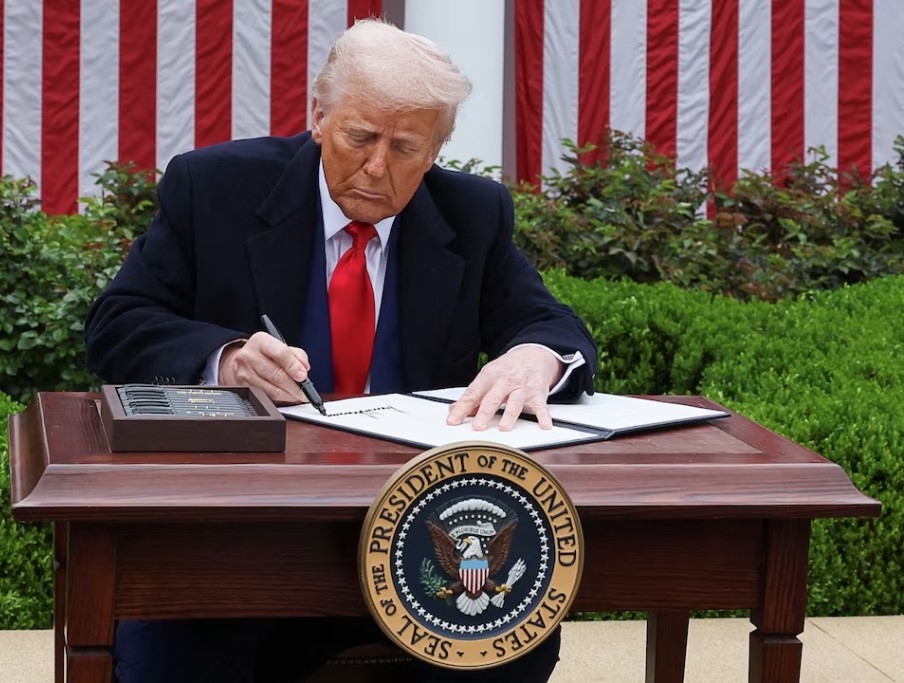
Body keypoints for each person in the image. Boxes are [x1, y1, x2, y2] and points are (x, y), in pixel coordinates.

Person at [85, 18, 596, 683]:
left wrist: (536, 357)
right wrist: (226, 358)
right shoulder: (213, 188)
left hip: (416, 535)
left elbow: (551, 325)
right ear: (319, 117)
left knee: (514, 644)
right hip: (234, 530)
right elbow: (117, 325)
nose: (378, 167)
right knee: (169, 665)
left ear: (437, 149)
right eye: (361, 137)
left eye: (406, 147)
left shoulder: (473, 213)